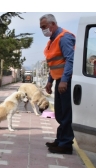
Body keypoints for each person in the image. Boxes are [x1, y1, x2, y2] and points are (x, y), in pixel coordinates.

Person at [40, 14, 75, 155]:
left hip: (66, 81)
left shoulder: (65, 37)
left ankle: (66, 144)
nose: (43, 30)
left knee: (66, 112)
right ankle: (60, 139)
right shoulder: (52, 41)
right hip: (59, 80)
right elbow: (54, 63)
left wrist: (65, 80)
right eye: (41, 27)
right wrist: (50, 81)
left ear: (52, 24)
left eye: (44, 27)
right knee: (60, 112)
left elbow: (69, 60)